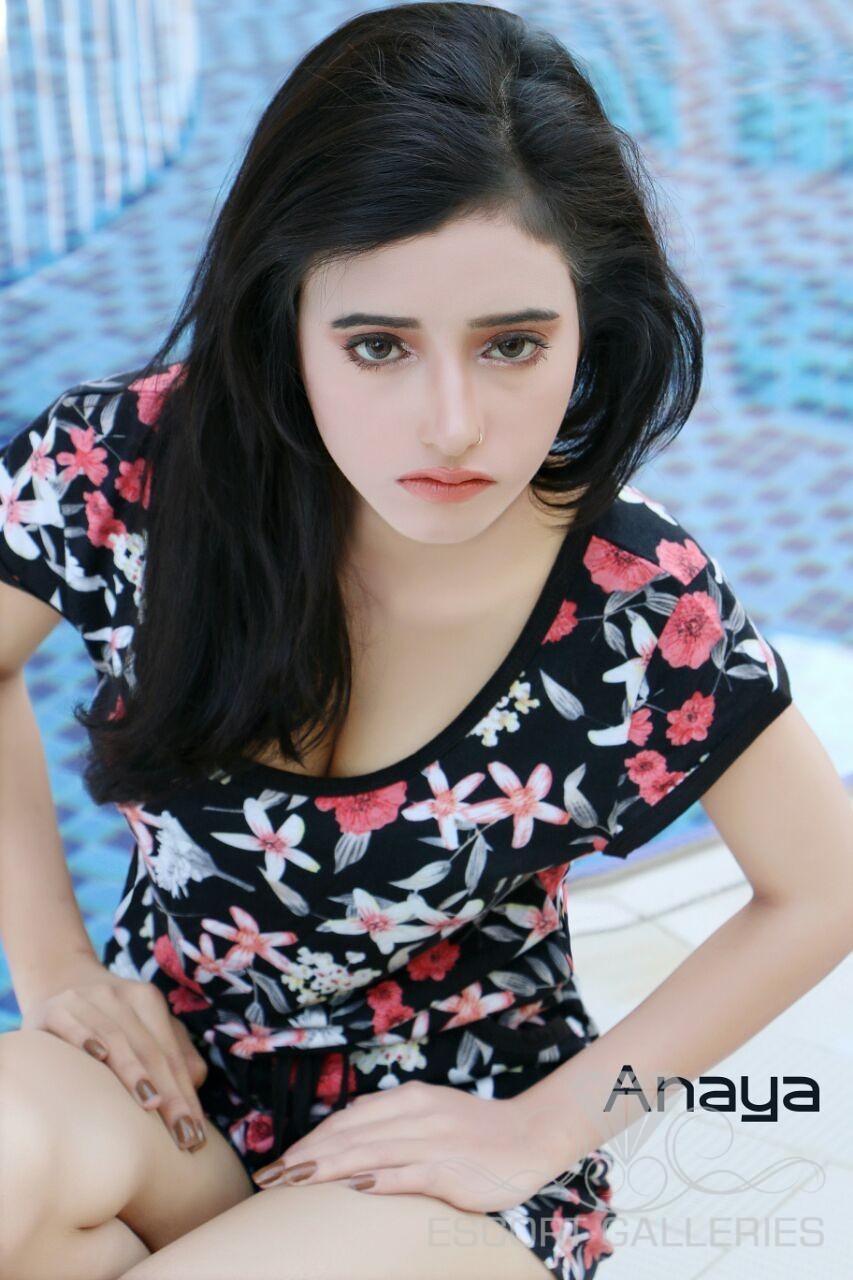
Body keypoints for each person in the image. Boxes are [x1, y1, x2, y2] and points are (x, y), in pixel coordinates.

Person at [1, 4, 851, 1279]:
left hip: (440, 1161)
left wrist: (547, 1127)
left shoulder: (629, 606)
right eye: (377, 345)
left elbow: (822, 886)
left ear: (590, 326)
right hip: (164, 1078)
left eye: (512, 344)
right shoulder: (134, 473)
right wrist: (54, 961)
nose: (450, 424)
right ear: (284, 317)